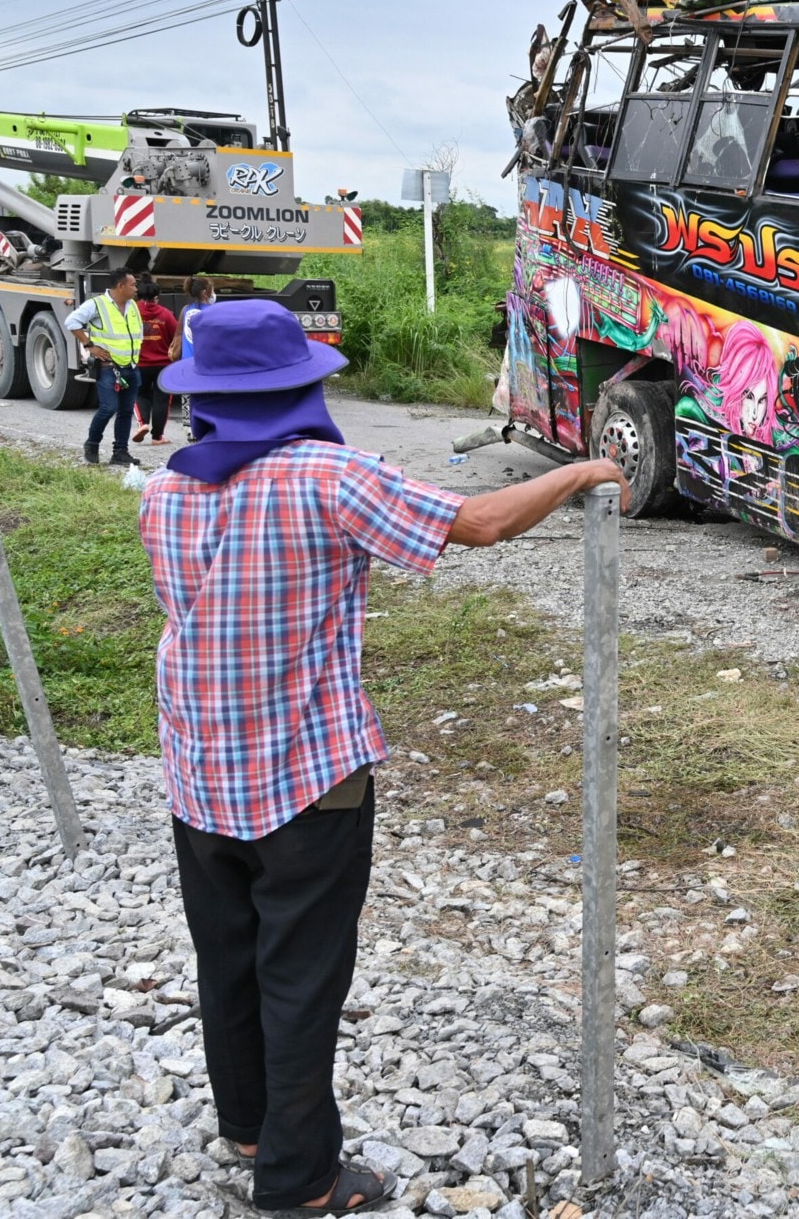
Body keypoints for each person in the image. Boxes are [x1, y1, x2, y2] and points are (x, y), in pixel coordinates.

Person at [140, 300, 623, 1213]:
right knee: (300, 977)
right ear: (300, 387)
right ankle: (300, 1179)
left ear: (203, 396)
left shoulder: (168, 489)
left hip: (199, 772)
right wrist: (585, 471)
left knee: (228, 957)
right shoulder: (327, 477)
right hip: (307, 780)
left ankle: (247, 1125)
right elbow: (476, 521)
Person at [66, 269, 142, 466]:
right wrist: (90, 346)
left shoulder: (132, 305)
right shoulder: (97, 305)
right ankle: (92, 443)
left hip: (130, 367)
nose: (136, 288)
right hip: (109, 367)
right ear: (121, 286)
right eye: (133, 285)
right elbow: (71, 322)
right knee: (109, 407)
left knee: (126, 411)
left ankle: (120, 452)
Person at [131, 280, 181, 447]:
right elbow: (176, 336)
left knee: (139, 393)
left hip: (139, 363)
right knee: (162, 399)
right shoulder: (165, 314)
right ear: (156, 297)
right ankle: (157, 436)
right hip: (163, 365)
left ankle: (143, 423)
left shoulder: (132, 311)